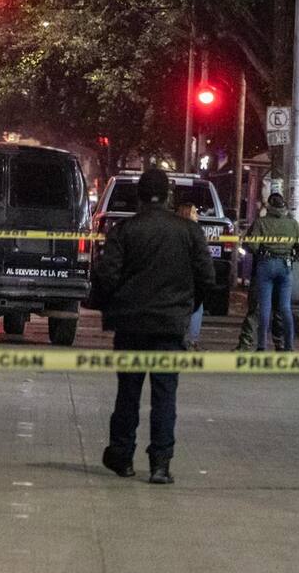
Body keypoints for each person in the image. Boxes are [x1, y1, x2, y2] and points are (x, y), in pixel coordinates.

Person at [92, 167, 216, 484]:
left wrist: (111, 306)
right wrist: (186, 307)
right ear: (168, 195)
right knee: (165, 396)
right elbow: (207, 279)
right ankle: (160, 463)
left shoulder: (123, 231)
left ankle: (122, 456)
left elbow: (106, 277)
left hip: (131, 325)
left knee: (128, 394)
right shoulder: (189, 232)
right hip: (170, 326)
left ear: (139, 195)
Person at [243, 192, 299, 351]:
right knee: (285, 308)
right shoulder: (293, 224)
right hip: (285, 267)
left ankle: (261, 346)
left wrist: (260, 251)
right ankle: (289, 346)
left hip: (266, 265)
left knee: (264, 308)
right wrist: (293, 257)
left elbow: (253, 246)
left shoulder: (261, 223)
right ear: (283, 206)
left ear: (269, 206)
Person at [176, 202, 205, 350]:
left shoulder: (173, 230)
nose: (197, 215)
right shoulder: (195, 232)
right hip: (189, 276)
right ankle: (191, 341)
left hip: (179, 275)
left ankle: (183, 339)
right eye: (194, 212)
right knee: (196, 307)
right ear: (187, 214)